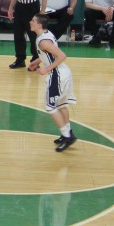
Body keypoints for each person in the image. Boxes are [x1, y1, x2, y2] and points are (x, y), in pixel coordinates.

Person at [26, 14, 78, 150]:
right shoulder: (45, 34)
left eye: (33, 20)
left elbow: (62, 56)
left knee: (50, 107)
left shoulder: (43, 41)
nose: (30, 22)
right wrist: (37, 61)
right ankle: (68, 132)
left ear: (39, 25)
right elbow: (49, 54)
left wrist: (46, 69)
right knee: (61, 105)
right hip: (63, 72)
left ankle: (67, 137)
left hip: (57, 74)